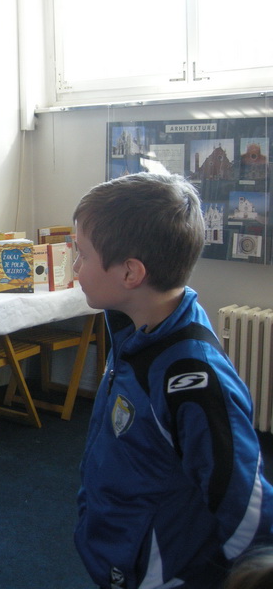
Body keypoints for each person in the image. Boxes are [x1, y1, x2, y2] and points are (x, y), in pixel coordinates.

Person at [72, 172, 273, 589]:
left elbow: (250, 515)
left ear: (131, 273)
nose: (75, 268)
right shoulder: (133, 327)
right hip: (118, 550)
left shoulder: (194, 380)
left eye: (82, 255)